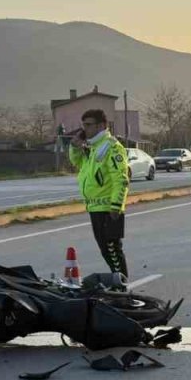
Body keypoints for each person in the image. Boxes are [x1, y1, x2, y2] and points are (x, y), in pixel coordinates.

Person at [68, 109, 130, 281]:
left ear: (101, 125)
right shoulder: (92, 147)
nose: (85, 129)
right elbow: (77, 163)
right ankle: (118, 282)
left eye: (88, 125)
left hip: (109, 208)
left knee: (112, 250)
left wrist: (116, 206)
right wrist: (75, 147)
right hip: (95, 206)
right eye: (83, 125)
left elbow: (121, 179)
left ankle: (122, 284)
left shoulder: (111, 147)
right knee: (105, 250)